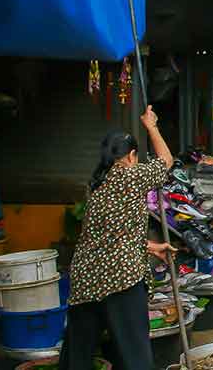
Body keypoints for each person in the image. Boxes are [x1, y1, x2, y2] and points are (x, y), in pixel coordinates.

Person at [60, 106, 175, 370]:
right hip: (121, 280)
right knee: (134, 353)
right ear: (132, 156)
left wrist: (149, 246)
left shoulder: (96, 184)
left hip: (85, 279)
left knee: (78, 354)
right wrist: (151, 126)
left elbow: (109, 234)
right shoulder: (131, 176)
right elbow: (166, 161)